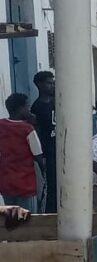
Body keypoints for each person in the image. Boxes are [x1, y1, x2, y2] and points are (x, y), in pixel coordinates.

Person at [0, 93, 45, 212]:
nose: (29, 110)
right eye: (27, 107)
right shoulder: (28, 129)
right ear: (20, 108)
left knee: (11, 219)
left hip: (6, 181)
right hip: (25, 183)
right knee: (28, 220)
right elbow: (38, 155)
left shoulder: (1, 125)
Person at [30, 71, 56, 213]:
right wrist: (41, 157)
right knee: (50, 187)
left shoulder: (55, 102)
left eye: (53, 83)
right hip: (47, 153)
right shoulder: (37, 107)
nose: (52, 86)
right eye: (49, 83)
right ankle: (48, 215)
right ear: (40, 85)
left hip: (58, 151)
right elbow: (37, 133)